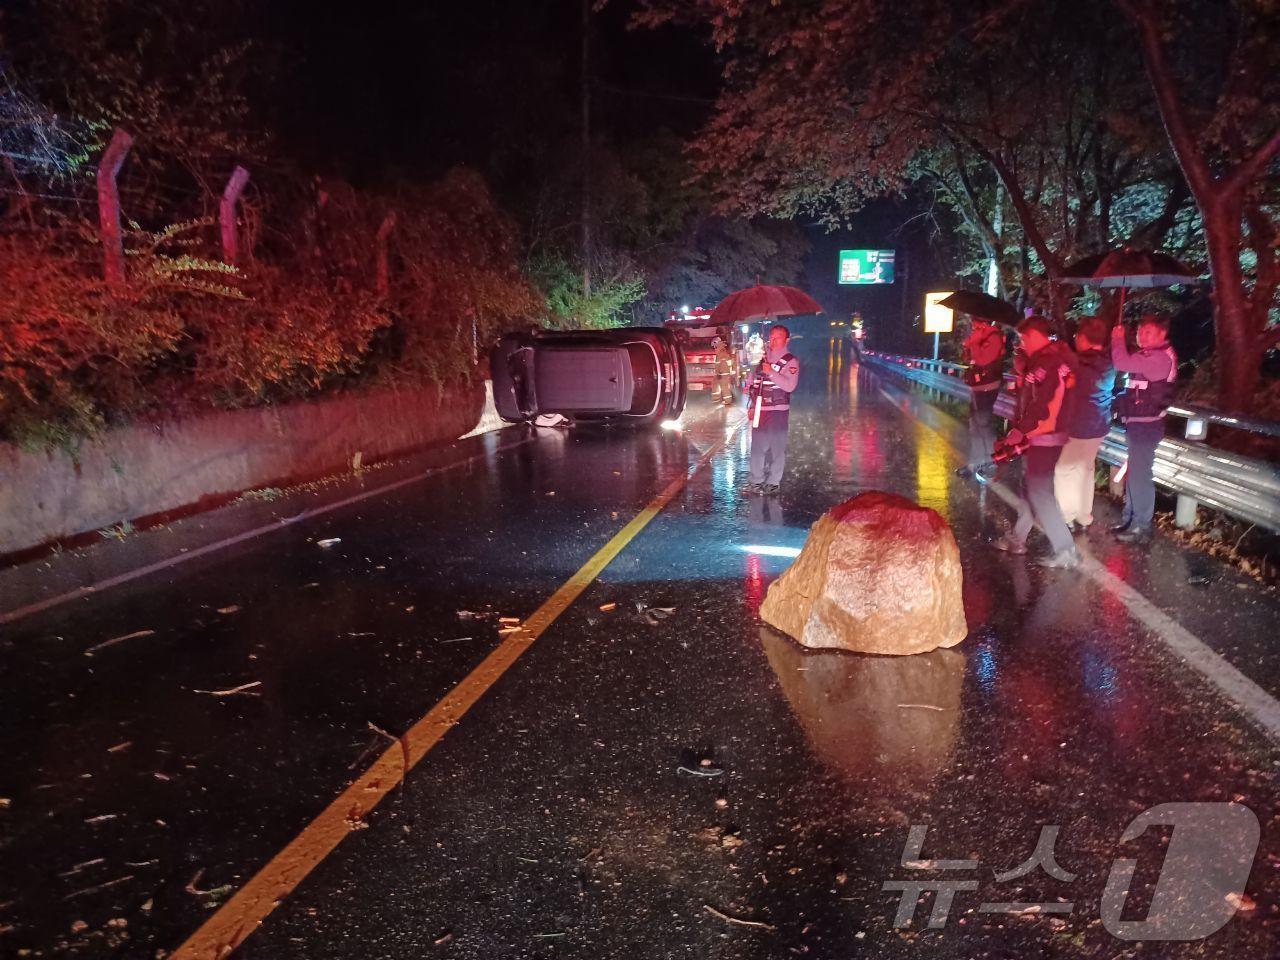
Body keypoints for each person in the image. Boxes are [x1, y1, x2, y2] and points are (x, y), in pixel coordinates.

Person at [992, 315, 1081, 569]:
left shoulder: (1049, 362)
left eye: (1023, 339)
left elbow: (1044, 404)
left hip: (1044, 435)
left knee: (1040, 491)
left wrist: (1021, 430)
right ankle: (1018, 538)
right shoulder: (1047, 359)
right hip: (1041, 433)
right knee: (1032, 488)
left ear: (1033, 336)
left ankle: (1066, 550)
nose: (1022, 343)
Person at [1111, 314, 1177, 544]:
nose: (1141, 336)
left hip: (1146, 426)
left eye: (1148, 332)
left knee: (1140, 476)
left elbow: (1121, 363)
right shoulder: (1151, 356)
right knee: (1135, 474)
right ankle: (1130, 519)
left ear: (1162, 334)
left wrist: (1117, 338)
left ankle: (1142, 525)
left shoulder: (1158, 358)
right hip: (1138, 423)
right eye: (1140, 331)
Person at [1053, 317, 1116, 532]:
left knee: (1064, 470)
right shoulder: (1108, 363)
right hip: (1100, 424)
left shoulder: (1079, 363)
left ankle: (1067, 516)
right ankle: (1084, 515)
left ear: (1081, 338)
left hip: (1080, 424)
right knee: (1086, 468)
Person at [745, 324, 800, 496]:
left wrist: (771, 373)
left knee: (777, 447)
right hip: (760, 409)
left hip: (778, 410)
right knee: (757, 447)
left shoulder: (790, 361)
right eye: (771, 337)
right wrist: (750, 389)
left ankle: (773, 483)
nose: (773, 341)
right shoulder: (762, 359)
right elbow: (754, 384)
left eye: (778, 338)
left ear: (787, 340)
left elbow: (790, 386)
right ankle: (756, 481)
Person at [956, 317, 1007, 478]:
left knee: (984, 424)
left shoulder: (994, 337)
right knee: (975, 425)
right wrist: (968, 346)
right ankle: (975, 463)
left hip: (987, 387)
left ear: (983, 322)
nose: (973, 326)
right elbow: (969, 359)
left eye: (975, 322)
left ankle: (991, 462)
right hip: (977, 386)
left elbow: (982, 360)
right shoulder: (980, 336)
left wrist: (974, 343)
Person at [713, 335, 736, 406]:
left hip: (723, 373)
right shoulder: (722, 351)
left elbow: (718, 364)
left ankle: (728, 401)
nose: (714, 348)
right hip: (724, 373)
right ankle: (717, 399)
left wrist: (718, 372)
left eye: (714, 346)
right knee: (719, 386)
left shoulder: (720, 352)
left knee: (724, 387)